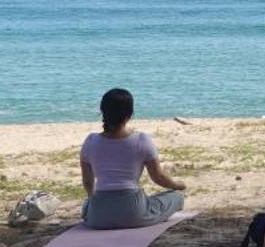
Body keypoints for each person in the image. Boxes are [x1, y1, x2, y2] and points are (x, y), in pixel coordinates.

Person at [80, 87, 189, 229]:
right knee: (177, 197)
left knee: (86, 204)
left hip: (99, 218)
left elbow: (88, 182)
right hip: (133, 212)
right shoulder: (142, 140)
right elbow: (158, 177)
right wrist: (178, 186)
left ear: (103, 112)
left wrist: (94, 201)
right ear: (130, 115)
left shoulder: (90, 141)